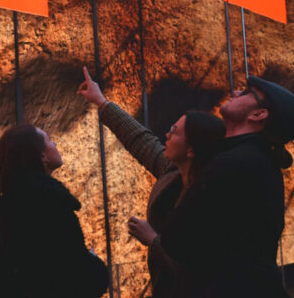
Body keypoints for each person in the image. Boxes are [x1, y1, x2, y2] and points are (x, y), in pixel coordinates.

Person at [77, 67, 224, 297]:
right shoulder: (174, 173)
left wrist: (153, 240)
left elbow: (201, 269)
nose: (167, 134)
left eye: (175, 132)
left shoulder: (210, 200)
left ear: (192, 149)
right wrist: (102, 102)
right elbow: (141, 141)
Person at [157, 76, 294, 298]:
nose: (236, 92)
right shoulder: (253, 159)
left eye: (246, 93)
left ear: (258, 115)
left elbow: (175, 238)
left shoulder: (233, 164)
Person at [0, 124, 108, 297]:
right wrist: (93, 262)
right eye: (49, 140)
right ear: (42, 156)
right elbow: (81, 281)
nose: (55, 144)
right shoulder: (53, 205)